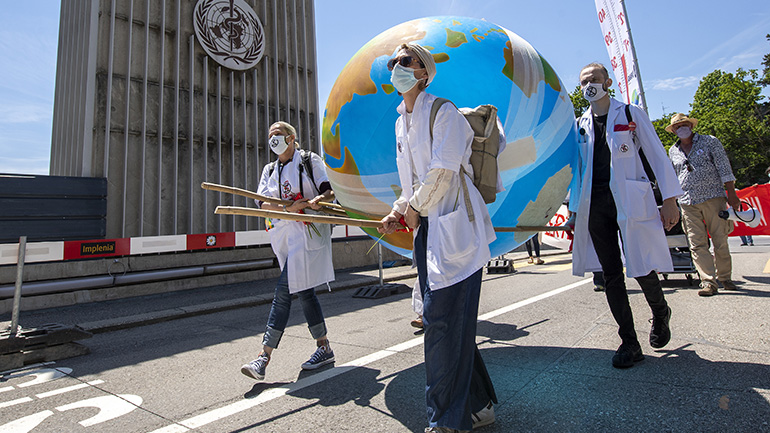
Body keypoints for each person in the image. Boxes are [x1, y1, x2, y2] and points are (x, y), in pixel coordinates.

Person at [378, 42, 498, 432]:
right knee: (446, 322)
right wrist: (399, 210)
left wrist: (412, 206)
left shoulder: (443, 113)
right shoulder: (401, 122)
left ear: (423, 72)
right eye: (394, 62)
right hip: (429, 230)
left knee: (441, 323)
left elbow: (443, 172)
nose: (397, 66)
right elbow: (409, 183)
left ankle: (445, 421)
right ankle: (480, 406)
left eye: (405, 61)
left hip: (456, 227)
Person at [569, 63, 683, 369]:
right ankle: (629, 342)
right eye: (583, 82)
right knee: (610, 275)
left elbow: (658, 155)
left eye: (593, 79)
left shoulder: (630, 114)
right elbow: (578, 171)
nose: (588, 85)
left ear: (608, 82)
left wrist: (670, 201)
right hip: (595, 204)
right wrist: (574, 210)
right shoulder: (580, 123)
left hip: (630, 199)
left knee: (641, 265)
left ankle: (660, 313)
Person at [241, 121, 336, 381]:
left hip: (308, 235)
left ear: (292, 137)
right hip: (283, 236)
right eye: (270, 135)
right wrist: (287, 210)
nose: (274, 139)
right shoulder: (269, 170)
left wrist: (317, 201)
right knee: (304, 291)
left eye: (278, 135)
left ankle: (264, 356)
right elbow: (262, 202)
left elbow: (328, 191)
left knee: (283, 292)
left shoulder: (308, 160)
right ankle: (324, 346)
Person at [666, 113, 740, 296]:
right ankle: (708, 281)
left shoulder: (710, 142)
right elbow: (674, 177)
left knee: (719, 239)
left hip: (713, 197)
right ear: (673, 131)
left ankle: (725, 277)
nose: (681, 128)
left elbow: (724, 166)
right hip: (687, 202)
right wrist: (673, 202)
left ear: (691, 126)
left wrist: (731, 192)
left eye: (684, 124)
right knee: (696, 243)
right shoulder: (672, 150)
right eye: (677, 126)